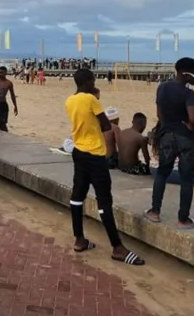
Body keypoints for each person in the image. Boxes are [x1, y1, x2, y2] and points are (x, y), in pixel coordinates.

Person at [65, 69, 144, 266]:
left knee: (77, 197)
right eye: (93, 80)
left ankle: (79, 239)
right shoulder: (91, 100)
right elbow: (106, 126)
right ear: (87, 82)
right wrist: (96, 98)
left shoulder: (70, 100)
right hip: (95, 154)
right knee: (104, 201)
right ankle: (117, 247)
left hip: (79, 151)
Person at [145, 57, 194, 229]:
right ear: (186, 74)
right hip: (186, 138)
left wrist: (166, 127)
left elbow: (159, 113)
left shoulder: (162, 88)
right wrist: (193, 127)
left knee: (162, 173)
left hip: (167, 136)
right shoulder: (188, 94)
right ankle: (183, 219)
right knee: (187, 177)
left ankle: (155, 212)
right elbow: (193, 117)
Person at [0, 66, 18, 132]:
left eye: (2, 73)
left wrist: (15, 106)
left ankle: (7, 136)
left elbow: (12, 95)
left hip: (2, 105)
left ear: (5, 73)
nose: (0, 74)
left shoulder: (8, 83)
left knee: (2, 123)